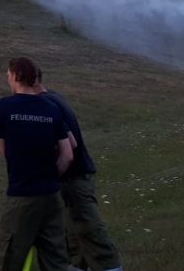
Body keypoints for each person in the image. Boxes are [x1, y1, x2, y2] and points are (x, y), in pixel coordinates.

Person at [0, 57, 74, 271]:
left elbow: (5, 151)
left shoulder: (4, 106)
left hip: (22, 195)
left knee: (6, 257)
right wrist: (52, 177)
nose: (8, 77)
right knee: (55, 259)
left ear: (15, 76)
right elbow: (68, 154)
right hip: (51, 196)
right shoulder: (52, 108)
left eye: (8, 74)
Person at [34, 73, 123, 271]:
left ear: (32, 81)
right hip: (73, 178)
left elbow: (69, 147)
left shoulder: (46, 104)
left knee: (90, 231)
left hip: (74, 178)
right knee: (73, 239)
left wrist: (53, 176)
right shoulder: (53, 97)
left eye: (14, 80)